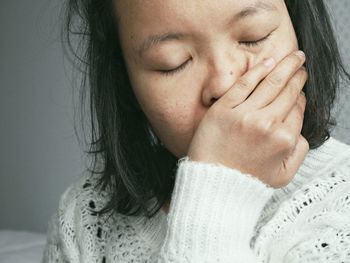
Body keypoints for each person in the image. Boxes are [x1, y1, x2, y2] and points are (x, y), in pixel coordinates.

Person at [42, 0, 350, 262]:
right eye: (172, 63)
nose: (225, 83)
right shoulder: (84, 214)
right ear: (125, 83)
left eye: (254, 37)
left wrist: (221, 190)